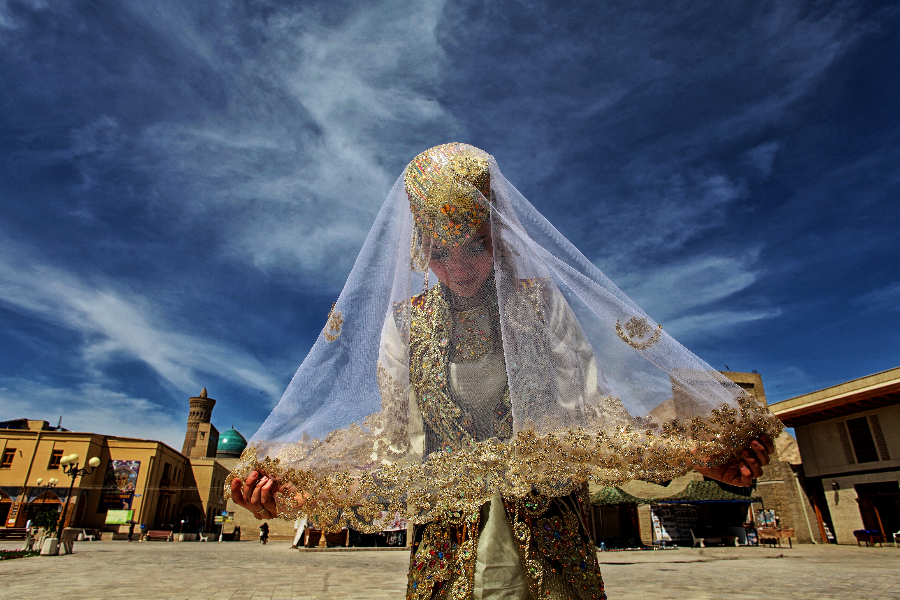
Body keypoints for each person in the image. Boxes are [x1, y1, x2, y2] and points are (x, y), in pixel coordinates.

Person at [229, 143, 781, 599]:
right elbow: (395, 449)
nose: (460, 269)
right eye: (441, 253)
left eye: (474, 248)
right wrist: (295, 492)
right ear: (422, 250)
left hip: (554, 550)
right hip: (449, 556)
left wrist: (698, 459)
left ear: (497, 236)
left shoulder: (541, 307)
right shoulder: (405, 326)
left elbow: (592, 420)